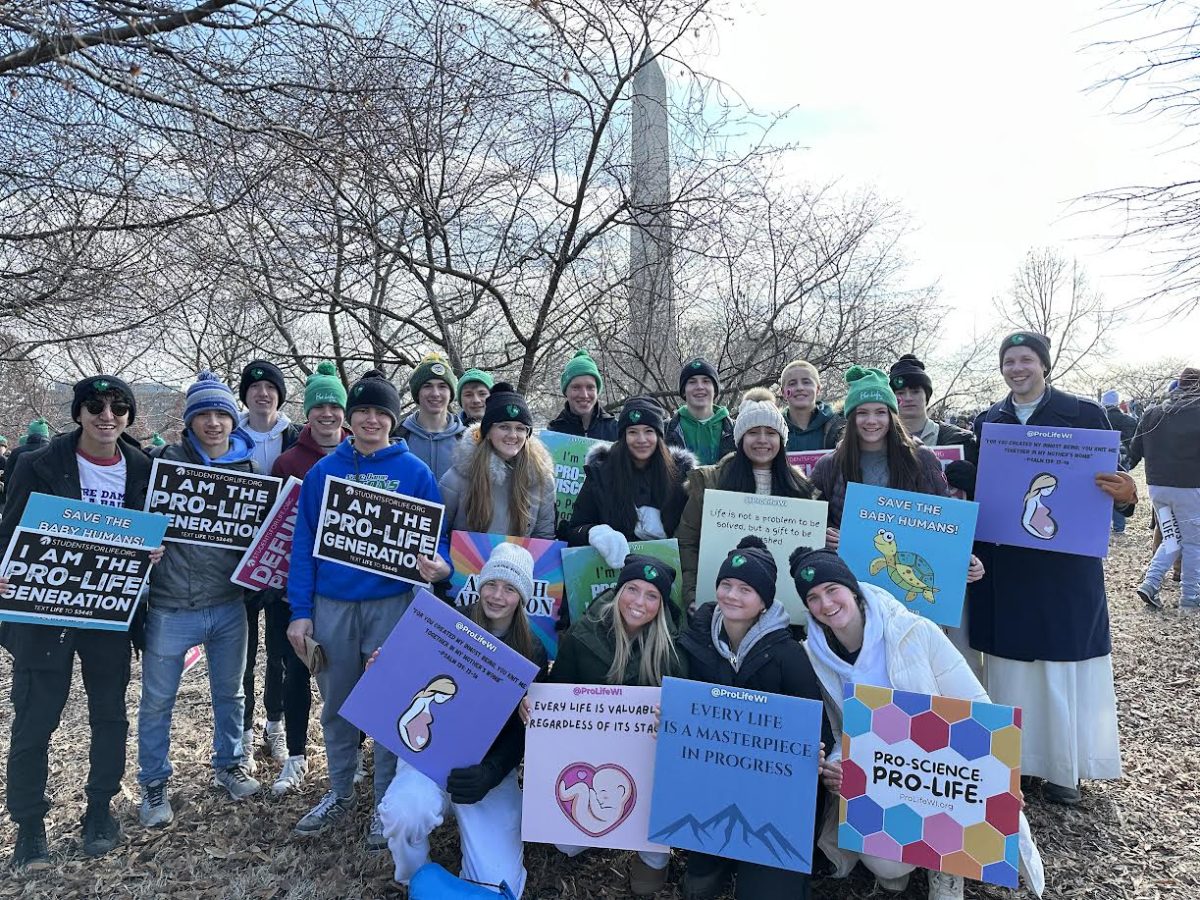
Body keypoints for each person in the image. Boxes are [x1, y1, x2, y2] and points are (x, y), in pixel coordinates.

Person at [792, 549, 1044, 900]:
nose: (826, 604)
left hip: (945, 766)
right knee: (887, 866)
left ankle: (947, 868)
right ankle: (914, 853)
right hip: (888, 776)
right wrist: (837, 765)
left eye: (832, 589)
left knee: (947, 818)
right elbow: (839, 731)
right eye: (813, 598)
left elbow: (976, 705)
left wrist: (1000, 774)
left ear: (852, 589)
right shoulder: (815, 657)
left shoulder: (914, 631)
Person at [968, 331, 1138, 805]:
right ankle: (1018, 761)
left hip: (1064, 566)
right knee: (1012, 670)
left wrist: (1126, 495)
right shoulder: (988, 422)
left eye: (1025, 360)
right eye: (1008, 361)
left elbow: (1116, 485)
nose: (1016, 368)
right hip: (1008, 565)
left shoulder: (1085, 415)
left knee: (1065, 665)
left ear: (1044, 365)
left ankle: (1066, 766)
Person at [0, 376, 162, 868]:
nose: (106, 415)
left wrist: (153, 550)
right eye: (94, 405)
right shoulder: (37, 464)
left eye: (118, 406)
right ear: (78, 413)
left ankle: (100, 810)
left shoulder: (144, 468)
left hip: (110, 615)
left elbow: (157, 526)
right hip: (46, 614)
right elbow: (9, 533)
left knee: (109, 715)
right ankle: (29, 827)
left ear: (130, 417)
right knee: (35, 719)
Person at [286, 369, 451, 848]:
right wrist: (301, 610)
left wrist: (436, 565)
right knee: (337, 706)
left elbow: (435, 538)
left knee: (389, 707)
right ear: (349, 419)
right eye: (362, 412)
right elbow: (303, 546)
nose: (371, 420)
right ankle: (339, 792)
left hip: (392, 606)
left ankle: (383, 802)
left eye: (381, 412)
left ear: (394, 420)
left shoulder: (415, 472)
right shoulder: (322, 472)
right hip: (333, 605)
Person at [378, 543, 548, 896]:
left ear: (523, 597)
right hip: (430, 752)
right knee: (404, 813)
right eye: (491, 584)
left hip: (486, 769)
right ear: (479, 584)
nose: (497, 596)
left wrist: (490, 773)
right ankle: (414, 875)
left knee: (502, 883)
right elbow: (408, 682)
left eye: (510, 589)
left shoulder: (532, 650)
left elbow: (520, 733)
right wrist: (383, 669)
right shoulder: (447, 623)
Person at [138, 372, 264, 828]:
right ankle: (153, 783)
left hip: (230, 604)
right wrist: (143, 546)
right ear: (190, 422)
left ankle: (229, 764)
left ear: (233, 420)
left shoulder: (249, 472)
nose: (213, 423)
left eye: (221, 414)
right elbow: (133, 524)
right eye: (204, 415)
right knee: (157, 701)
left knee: (230, 693)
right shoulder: (162, 465)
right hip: (172, 605)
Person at [675, 538, 831, 900]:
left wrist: (817, 752)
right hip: (711, 782)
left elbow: (814, 726)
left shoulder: (788, 654)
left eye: (746, 589)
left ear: (764, 601)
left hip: (773, 798)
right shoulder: (694, 639)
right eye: (726, 585)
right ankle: (714, 856)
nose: (732, 595)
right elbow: (682, 710)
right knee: (697, 883)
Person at [811, 366, 983, 675]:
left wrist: (965, 560)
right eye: (862, 412)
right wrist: (824, 535)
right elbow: (812, 525)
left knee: (912, 674)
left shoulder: (921, 459)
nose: (872, 421)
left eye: (880, 411)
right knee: (867, 672)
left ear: (892, 415)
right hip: (854, 595)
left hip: (912, 602)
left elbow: (943, 524)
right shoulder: (830, 465)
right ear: (851, 418)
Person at [548, 555, 686, 896]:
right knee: (566, 846)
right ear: (618, 589)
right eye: (632, 589)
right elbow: (557, 695)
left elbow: (685, 714)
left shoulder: (673, 649)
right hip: (590, 758)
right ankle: (604, 824)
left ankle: (651, 854)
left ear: (662, 604)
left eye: (652, 595)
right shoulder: (583, 635)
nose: (639, 602)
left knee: (656, 804)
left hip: (649, 762)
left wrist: (670, 721)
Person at [266, 362, 350, 795]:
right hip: (293, 588)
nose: (328, 413)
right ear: (308, 411)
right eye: (320, 405)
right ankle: (295, 757)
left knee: (350, 673)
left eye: (336, 405)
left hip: (343, 590)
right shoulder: (287, 462)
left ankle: (351, 755)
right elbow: (275, 532)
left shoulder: (362, 456)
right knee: (294, 671)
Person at [675, 387, 815, 608]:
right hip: (722, 603)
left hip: (783, 608)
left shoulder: (802, 489)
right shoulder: (711, 482)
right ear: (740, 439)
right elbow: (687, 543)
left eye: (770, 433)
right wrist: (693, 593)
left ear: (781, 439)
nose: (762, 440)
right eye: (752, 432)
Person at [237, 359, 302, 774]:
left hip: (283, 563)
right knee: (241, 655)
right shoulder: (229, 432)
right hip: (238, 563)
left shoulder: (296, 437)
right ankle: (241, 734)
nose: (263, 392)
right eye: (255, 386)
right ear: (245, 394)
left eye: (270, 386)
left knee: (279, 653)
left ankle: (273, 725)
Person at [560, 397, 696, 568]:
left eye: (648, 431)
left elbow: (692, 534)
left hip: (667, 571)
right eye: (633, 432)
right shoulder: (600, 474)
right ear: (623, 436)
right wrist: (595, 533)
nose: (641, 439)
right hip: (612, 573)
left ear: (659, 435)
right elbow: (574, 530)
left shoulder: (681, 476)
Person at [439, 384, 556, 539]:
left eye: (520, 428)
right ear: (487, 432)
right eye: (504, 427)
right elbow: (439, 533)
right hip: (464, 562)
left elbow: (543, 537)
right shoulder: (456, 479)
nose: (513, 435)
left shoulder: (542, 479)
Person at [1131, 366, 1200, 609]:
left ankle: (1150, 583)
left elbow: (1134, 451)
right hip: (1191, 487)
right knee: (1194, 543)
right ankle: (1190, 597)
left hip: (1157, 487)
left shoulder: (1152, 413)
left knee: (1171, 538)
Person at [888, 354, 978, 462]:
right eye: (900, 393)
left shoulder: (958, 440)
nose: (908, 398)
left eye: (915, 391)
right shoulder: (877, 438)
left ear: (927, 396)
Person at [396, 353, 467, 482]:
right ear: (417, 393)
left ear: (451, 393)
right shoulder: (397, 436)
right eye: (427, 386)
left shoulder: (467, 439)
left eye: (442, 386)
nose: (435, 393)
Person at [665, 357, 735, 465]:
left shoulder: (735, 430)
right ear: (683, 391)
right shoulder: (666, 430)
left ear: (715, 390)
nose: (699, 387)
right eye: (692, 382)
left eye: (706, 381)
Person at [545, 349, 619, 440]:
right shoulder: (553, 433)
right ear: (566, 392)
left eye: (590, 387)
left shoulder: (616, 431)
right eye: (576, 387)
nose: (584, 395)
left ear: (597, 391)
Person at [778, 359, 844, 451]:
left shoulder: (839, 426)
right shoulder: (774, 429)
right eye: (792, 383)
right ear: (783, 392)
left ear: (818, 389)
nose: (800, 388)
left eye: (806, 382)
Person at [1102, 389, 1139, 535]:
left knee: (1101, 490)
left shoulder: (1099, 418)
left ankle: (1102, 523)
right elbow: (1133, 444)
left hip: (1101, 460)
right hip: (1123, 462)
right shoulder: (1129, 421)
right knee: (1119, 491)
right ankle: (1119, 526)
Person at [3, 418, 52, 483]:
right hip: (47, 492)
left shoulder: (17, 452)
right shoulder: (54, 453)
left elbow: (8, 476)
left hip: (21, 491)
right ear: (47, 434)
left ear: (29, 433)